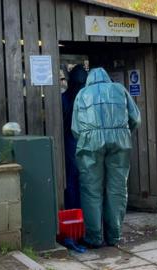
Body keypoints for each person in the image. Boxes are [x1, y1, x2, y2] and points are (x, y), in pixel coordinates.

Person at [72, 67, 141, 248]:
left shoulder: (82, 94)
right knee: (117, 188)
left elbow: (75, 128)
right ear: (107, 77)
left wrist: (88, 139)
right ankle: (114, 236)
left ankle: (94, 238)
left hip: (90, 142)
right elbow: (136, 119)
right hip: (119, 142)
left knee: (91, 190)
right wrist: (123, 133)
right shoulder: (119, 89)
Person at [62, 65, 88, 210]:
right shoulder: (88, 99)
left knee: (71, 179)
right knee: (88, 181)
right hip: (87, 142)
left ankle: (73, 213)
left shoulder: (64, 98)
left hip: (70, 142)